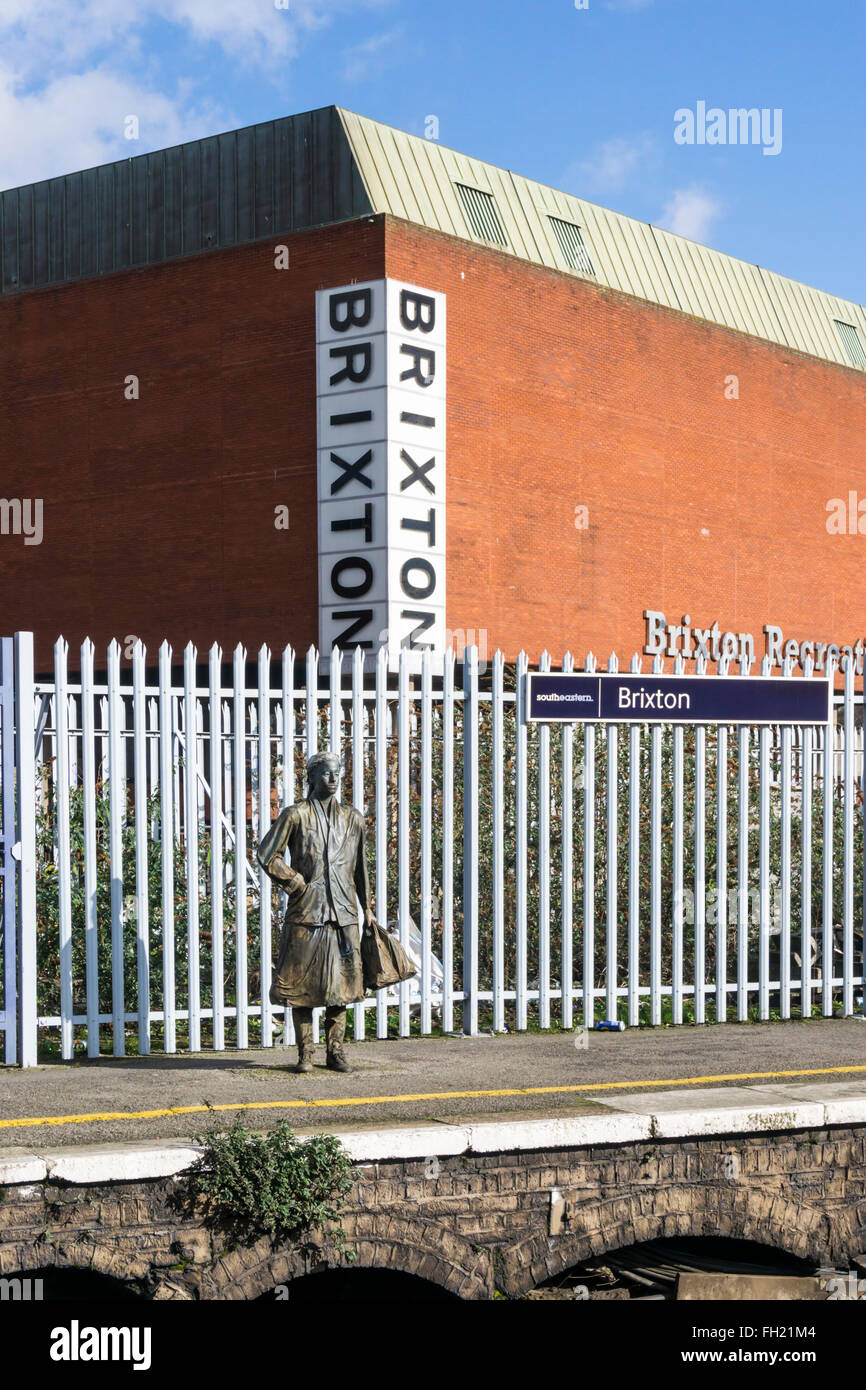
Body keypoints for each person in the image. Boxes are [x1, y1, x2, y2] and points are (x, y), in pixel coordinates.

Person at [256, 751, 375, 1074]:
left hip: (344, 912)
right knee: (301, 987)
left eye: (337, 773)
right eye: (326, 774)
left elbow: (360, 869)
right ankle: (305, 1052)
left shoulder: (353, 818)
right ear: (311, 777)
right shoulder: (296, 815)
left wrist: (368, 909)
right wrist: (296, 883)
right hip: (307, 911)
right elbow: (267, 854)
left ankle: (335, 1051)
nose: (333, 779)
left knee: (342, 989)